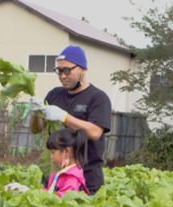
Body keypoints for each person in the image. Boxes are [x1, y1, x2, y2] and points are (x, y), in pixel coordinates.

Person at [29, 45, 112, 195]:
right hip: (56, 178)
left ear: (83, 70)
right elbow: (36, 129)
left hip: (86, 180)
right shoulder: (54, 95)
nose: (62, 75)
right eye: (59, 71)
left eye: (67, 70)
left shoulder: (98, 98)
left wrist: (64, 117)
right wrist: (35, 112)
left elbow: (94, 132)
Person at [5, 128, 90, 197]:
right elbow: (48, 193)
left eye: (53, 152)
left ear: (66, 152)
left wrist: (30, 194)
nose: (51, 156)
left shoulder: (72, 178)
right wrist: (26, 190)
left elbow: (61, 201)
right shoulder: (61, 174)